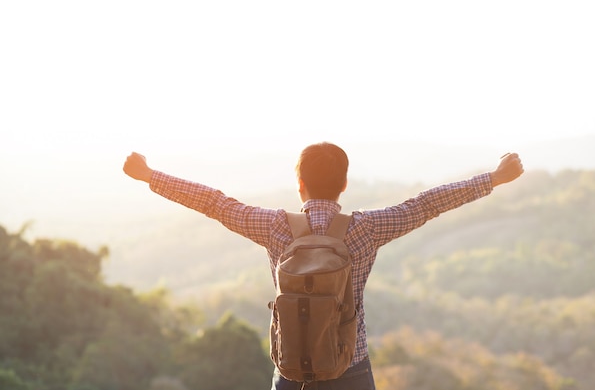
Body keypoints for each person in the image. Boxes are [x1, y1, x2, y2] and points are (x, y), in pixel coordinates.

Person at [123, 142, 524, 390]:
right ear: (344, 184)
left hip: (293, 371)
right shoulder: (365, 229)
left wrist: (149, 176)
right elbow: (426, 205)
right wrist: (494, 178)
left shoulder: (274, 227)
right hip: (349, 367)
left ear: (300, 184)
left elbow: (213, 202)